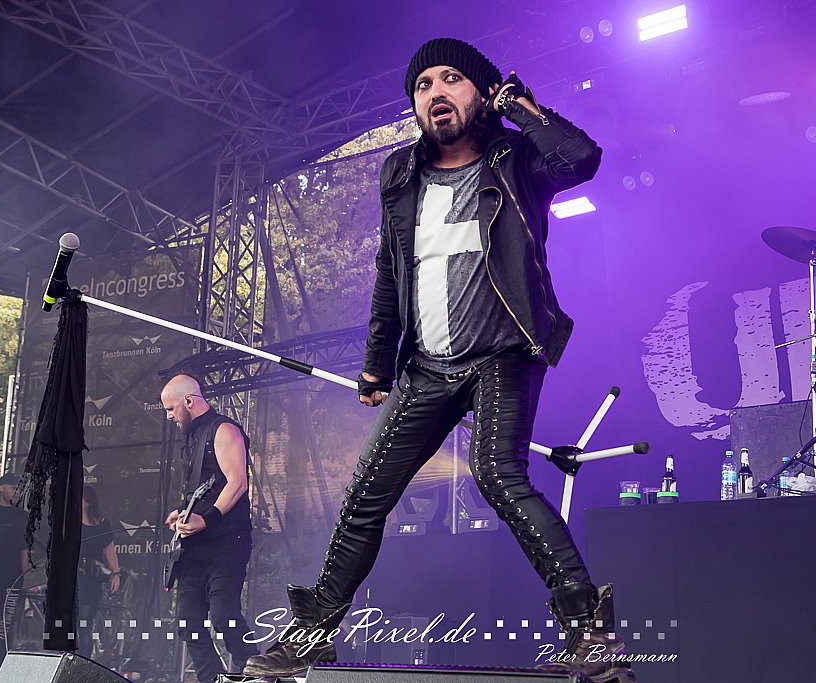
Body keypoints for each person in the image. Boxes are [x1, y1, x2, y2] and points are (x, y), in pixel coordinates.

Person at [243, 38, 633, 683]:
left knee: (497, 476)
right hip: (427, 365)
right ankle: (312, 636)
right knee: (366, 494)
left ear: (483, 92)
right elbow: (390, 271)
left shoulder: (517, 160)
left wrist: (522, 109)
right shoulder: (399, 173)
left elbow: (582, 158)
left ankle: (589, 630)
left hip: (503, 352)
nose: (435, 93)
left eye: (452, 78)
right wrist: (378, 363)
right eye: (423, 85)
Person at [161, 374, 257, 683]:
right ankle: (213, 680)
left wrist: (207, 518)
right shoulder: (191, 438)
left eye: (171, 408)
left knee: (224, 616)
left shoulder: (224, 429)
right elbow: (205, 490)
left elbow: (237, 483)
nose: (169, 416)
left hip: (227, 541)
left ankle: (255, 670)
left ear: (189, 401)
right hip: (195, 545)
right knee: (188, 623)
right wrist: (184, 514)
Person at [0, 473, 31, 666]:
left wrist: (23, 575)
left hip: (12, 576)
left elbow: (25, 548)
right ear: (1, 487)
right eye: (13, 488)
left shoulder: (22, 516)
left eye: (19, 489)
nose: (17, 492)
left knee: (6, 622)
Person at [77, 485, 120, 658]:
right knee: (74, 620)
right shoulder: (69, 522)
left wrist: (116, 573)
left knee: (86, 620)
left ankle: (84, 658)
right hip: (73, 577)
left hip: (92, 577)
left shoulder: (102, 524)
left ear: (87, 502)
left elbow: (109, 549)